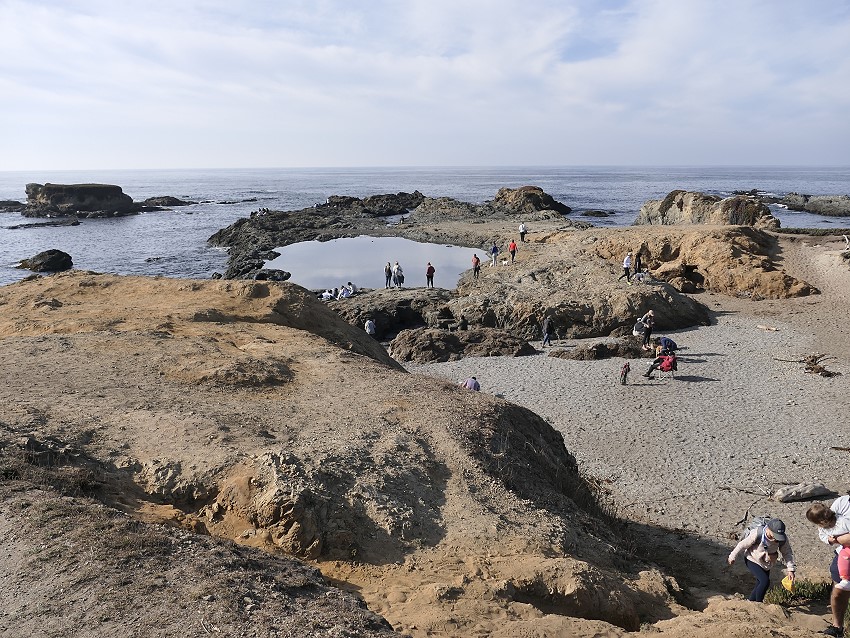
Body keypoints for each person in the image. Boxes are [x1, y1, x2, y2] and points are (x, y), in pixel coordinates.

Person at [807, 497, 850, 637]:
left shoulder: (842, 520)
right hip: (844, 552)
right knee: (838, 586)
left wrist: (838, 539)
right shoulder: (843, 502)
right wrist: (834, 540)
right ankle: (837, 627)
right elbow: (825, 535)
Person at [728, 518, 796, 602]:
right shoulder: (758, 533)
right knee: (765, 581)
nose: (777, 539)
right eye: (775, 535)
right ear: (768, 529)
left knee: (759, 583)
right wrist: (732, 556)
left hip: (766, 564)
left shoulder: (782, 539)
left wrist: (791, 570)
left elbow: (787, 553)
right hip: (752, 559)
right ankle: (759, 603)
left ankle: (751, 602)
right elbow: (742, 545)